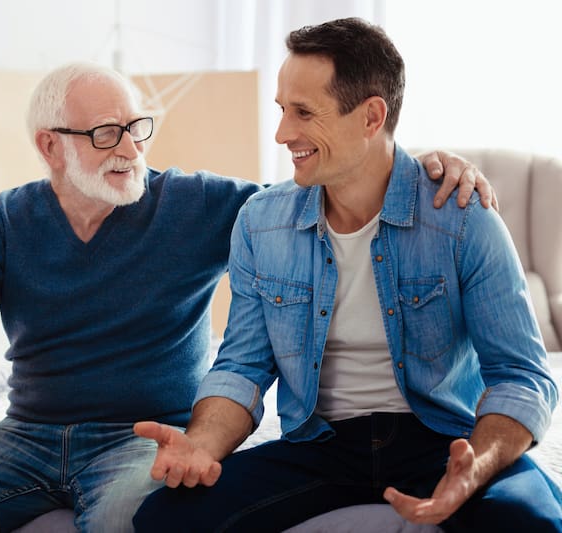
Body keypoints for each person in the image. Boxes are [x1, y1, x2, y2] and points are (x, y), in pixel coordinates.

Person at [0, 60, 495, 532]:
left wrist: (407, 169)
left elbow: (314, 201)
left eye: (137, 128)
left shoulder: (195, 202)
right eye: (106, 133)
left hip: (144, 434)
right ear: (49, 146)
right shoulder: (11, 217)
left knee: (139, 525)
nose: (130, 148)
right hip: (27, 434)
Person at [132, 17, 562, 533]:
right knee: (163, 519)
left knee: (532, 523)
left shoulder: (462, 218)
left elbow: (521, 376)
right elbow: (243, 365)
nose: (282, 132)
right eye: (282, 110)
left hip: (443, 440)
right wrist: (201, 444)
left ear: (370, 116)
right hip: (321, 445)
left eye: (304, 112)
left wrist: (476, 468)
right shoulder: (261, 221)